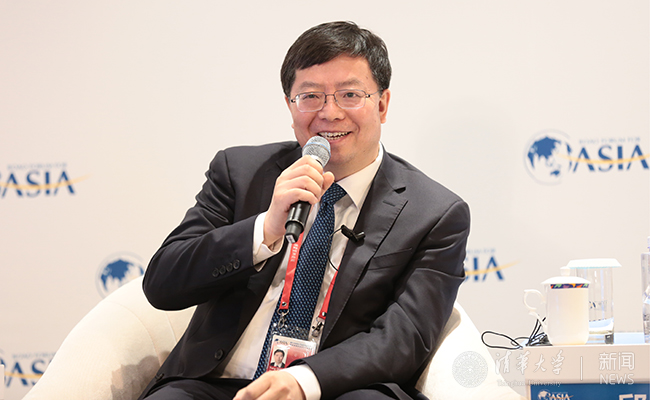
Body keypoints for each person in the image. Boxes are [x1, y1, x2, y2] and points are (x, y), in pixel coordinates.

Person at [138, 21, 470, 400]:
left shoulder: (435, 213)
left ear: (382, 104)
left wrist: (303, 381)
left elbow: (405, 335)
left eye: (350, 95)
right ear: (290, 106)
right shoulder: (241, 172)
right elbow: (162, 285)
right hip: (214, 386)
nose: (330, 113)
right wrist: (264, 229)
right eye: (310, 96)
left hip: (333, 388)